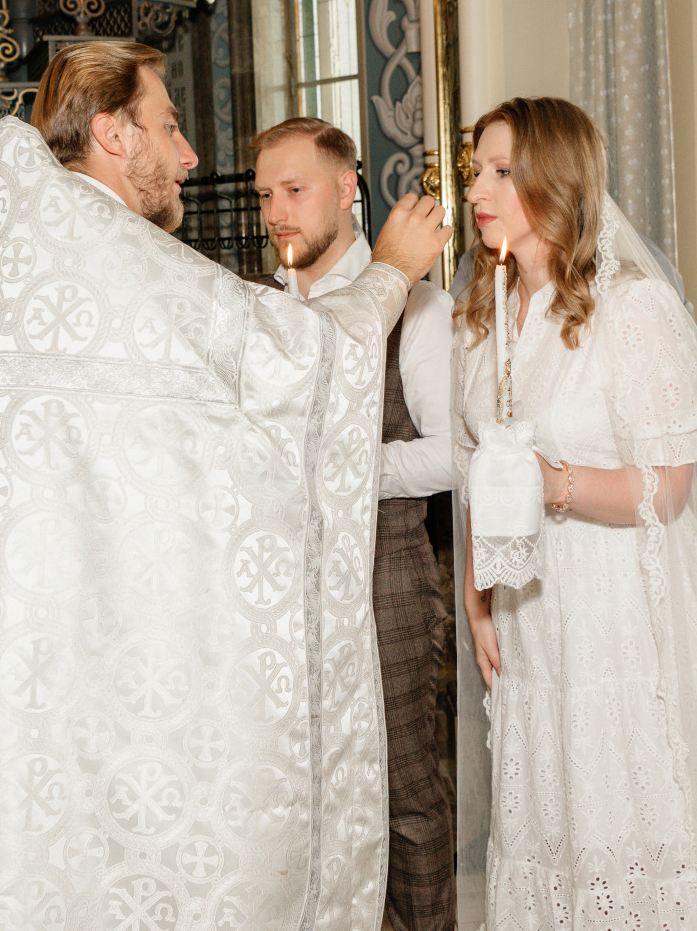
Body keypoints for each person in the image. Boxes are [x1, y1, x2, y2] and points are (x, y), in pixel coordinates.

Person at [0, 40, 452, 931]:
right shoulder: (111, 252)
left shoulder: (29, 260)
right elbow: (294, 366)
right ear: (114, 135)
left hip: (53, 667)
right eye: (168, 124)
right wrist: (390, 271)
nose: (191, 153)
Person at [455, 97, 697, 929]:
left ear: (554, 181)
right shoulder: (485, 309)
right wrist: (476, 588)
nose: (477, 189)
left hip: (618, 602)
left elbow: (666, 488)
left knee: (624, 806)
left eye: (499, 171)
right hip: (530, 601)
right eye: (475, 170)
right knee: (551, 812)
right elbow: (480, 465)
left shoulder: (629, 309)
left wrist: (552, 486)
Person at [249, 117, 456, 931]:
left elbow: (451, 457)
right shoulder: (256, 306)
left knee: (404, 790)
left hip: (389, 576)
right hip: (274, 591)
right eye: (265, 193)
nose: (275, 211)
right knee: (301, 791)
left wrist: (335, 473)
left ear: (346, 189)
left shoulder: (421, 304)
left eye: (294, 190)